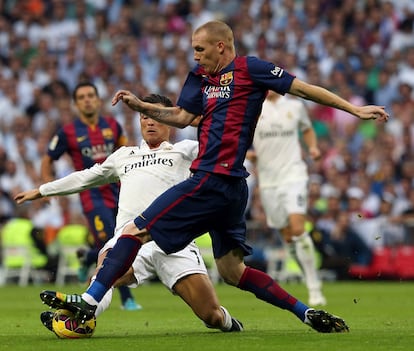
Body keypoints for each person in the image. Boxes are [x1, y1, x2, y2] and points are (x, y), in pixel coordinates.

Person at [40, 20, 389, 333]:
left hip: (212, 179)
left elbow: (302, 88)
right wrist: (143, 106)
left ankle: (88, 301)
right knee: (232, 271)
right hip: (232, 189)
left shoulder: (251, 69)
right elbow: (180, 117)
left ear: (220, 46)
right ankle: (305, 312)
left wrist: (353, 109)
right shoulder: (199, 79)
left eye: (200, 49)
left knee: (133, 229)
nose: (195, 56)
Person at [15, 94, 242, 333]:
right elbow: (85, 177)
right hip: (130, 239)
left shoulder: (187, 150)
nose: (150, 122)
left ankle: (229, 322)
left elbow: (225, 142)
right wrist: (42, 190)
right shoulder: (124, 155)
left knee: (212, 316)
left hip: (174, 243)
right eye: (145, 116)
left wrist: (199, 120)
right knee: (104, 273)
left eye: (156, 116)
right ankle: (79, 318)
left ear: (171, 120)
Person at [40, 81, 141, 311]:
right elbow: (48, 159)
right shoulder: (68, 132)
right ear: (76, 104)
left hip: (118, 193)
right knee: (112, 242)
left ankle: (87, 258)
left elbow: (125, 152)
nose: (87, 100)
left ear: (97, 100)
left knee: (124, 238)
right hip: (91, 197)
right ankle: (127, 299)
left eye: (90, 96)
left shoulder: (113, 126)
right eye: (82, 97)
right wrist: (47, 186)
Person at [246, 91, 326, 306]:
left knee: (298, 228)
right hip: (268, 180)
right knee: (288, 235)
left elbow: (307, 129)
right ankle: (306, 273)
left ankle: (314, 286)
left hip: (294, 175)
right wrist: (248, 154)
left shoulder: (295, 106)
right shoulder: (252, 107)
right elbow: (238, 137)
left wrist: (313, 147)